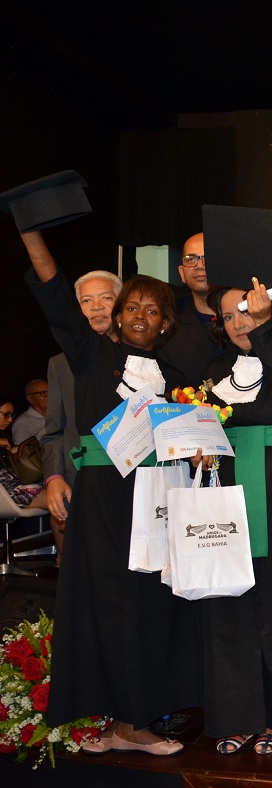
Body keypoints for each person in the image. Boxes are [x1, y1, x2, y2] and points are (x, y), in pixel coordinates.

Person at [20, 226, 200, 756]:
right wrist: (31, 233)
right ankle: (117, 721)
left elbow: (189, 434)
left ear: (165, 324)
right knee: (104, 605)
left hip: (157, 495)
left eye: (152, 310)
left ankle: (133, 722)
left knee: (150, 606)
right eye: (132, 307)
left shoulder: (177, 374)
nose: (140, 316)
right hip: (102, 499)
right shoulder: (89, 354)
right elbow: (57, 296)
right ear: (117, 317)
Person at [194, 282, 272, 755]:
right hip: (227, 490)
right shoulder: (214, 371)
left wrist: (267, 335)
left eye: (244, 310)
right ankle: (238, 714)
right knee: (230, 603)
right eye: (228, 316)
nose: (238, 322)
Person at [43, 269, 122, 565]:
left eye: (105, 298)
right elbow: (54, 431)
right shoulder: (60, 365)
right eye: (86, 301)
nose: (96, 307)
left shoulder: (143, 355)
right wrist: (54, 478)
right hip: (81, 484)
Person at [160, 232, 221, 381]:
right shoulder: (169, 327)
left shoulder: (250, 317)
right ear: (182, 273)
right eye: (191, 259)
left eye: (208, 258)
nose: (199, 266)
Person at [0, 398, 48, 509]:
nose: (10, 420)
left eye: (11, 415)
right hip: (9, 491)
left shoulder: (4, 436)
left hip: (20, 482)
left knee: (62, 490)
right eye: (6, 415)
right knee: (61, 500)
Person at [11, 379, 48, 444]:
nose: (49, 396)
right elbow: (21, 448)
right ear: (30, 398)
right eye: (44, 393)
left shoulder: (57, 415)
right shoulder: (23, 422)